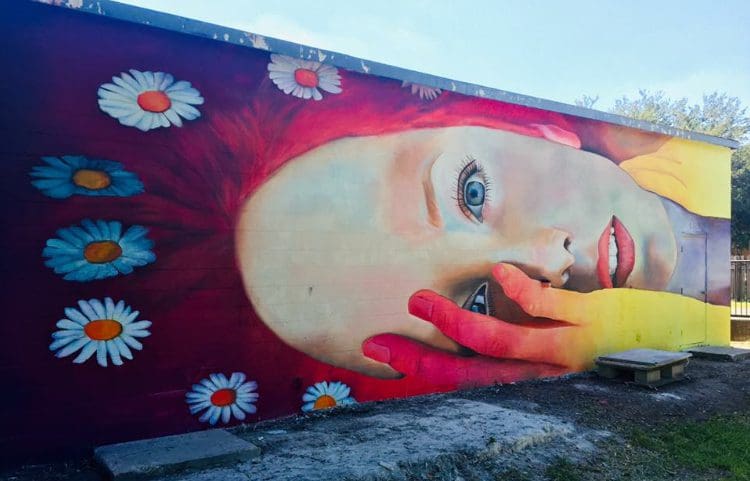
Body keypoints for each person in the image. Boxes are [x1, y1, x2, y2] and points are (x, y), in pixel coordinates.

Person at [237, 124, 730, 384]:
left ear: (535, 130)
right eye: (475, 307)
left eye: (471, 192)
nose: (545, 262)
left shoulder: (703, 165)